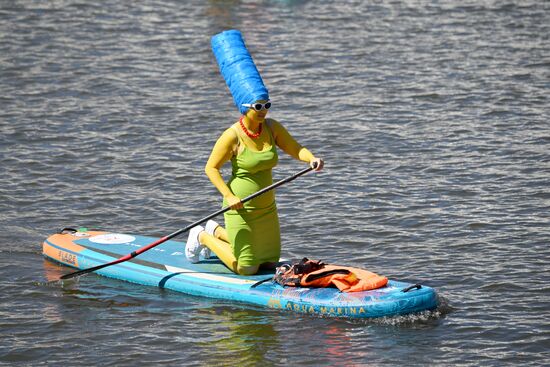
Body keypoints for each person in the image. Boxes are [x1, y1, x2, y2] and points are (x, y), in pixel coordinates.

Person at [184, 30, 323, 275]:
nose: (263, 110)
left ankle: (217, 230)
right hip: (240, 206)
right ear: (245, 107)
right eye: (258, 106)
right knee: (247, 267)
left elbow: (296, 149)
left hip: (266, 206)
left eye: (266, 104)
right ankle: (204, 236)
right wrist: (228, 197)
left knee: (269, 264)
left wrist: (311, 158)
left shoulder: (272, 128)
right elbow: (211, 168)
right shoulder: (232, 135)